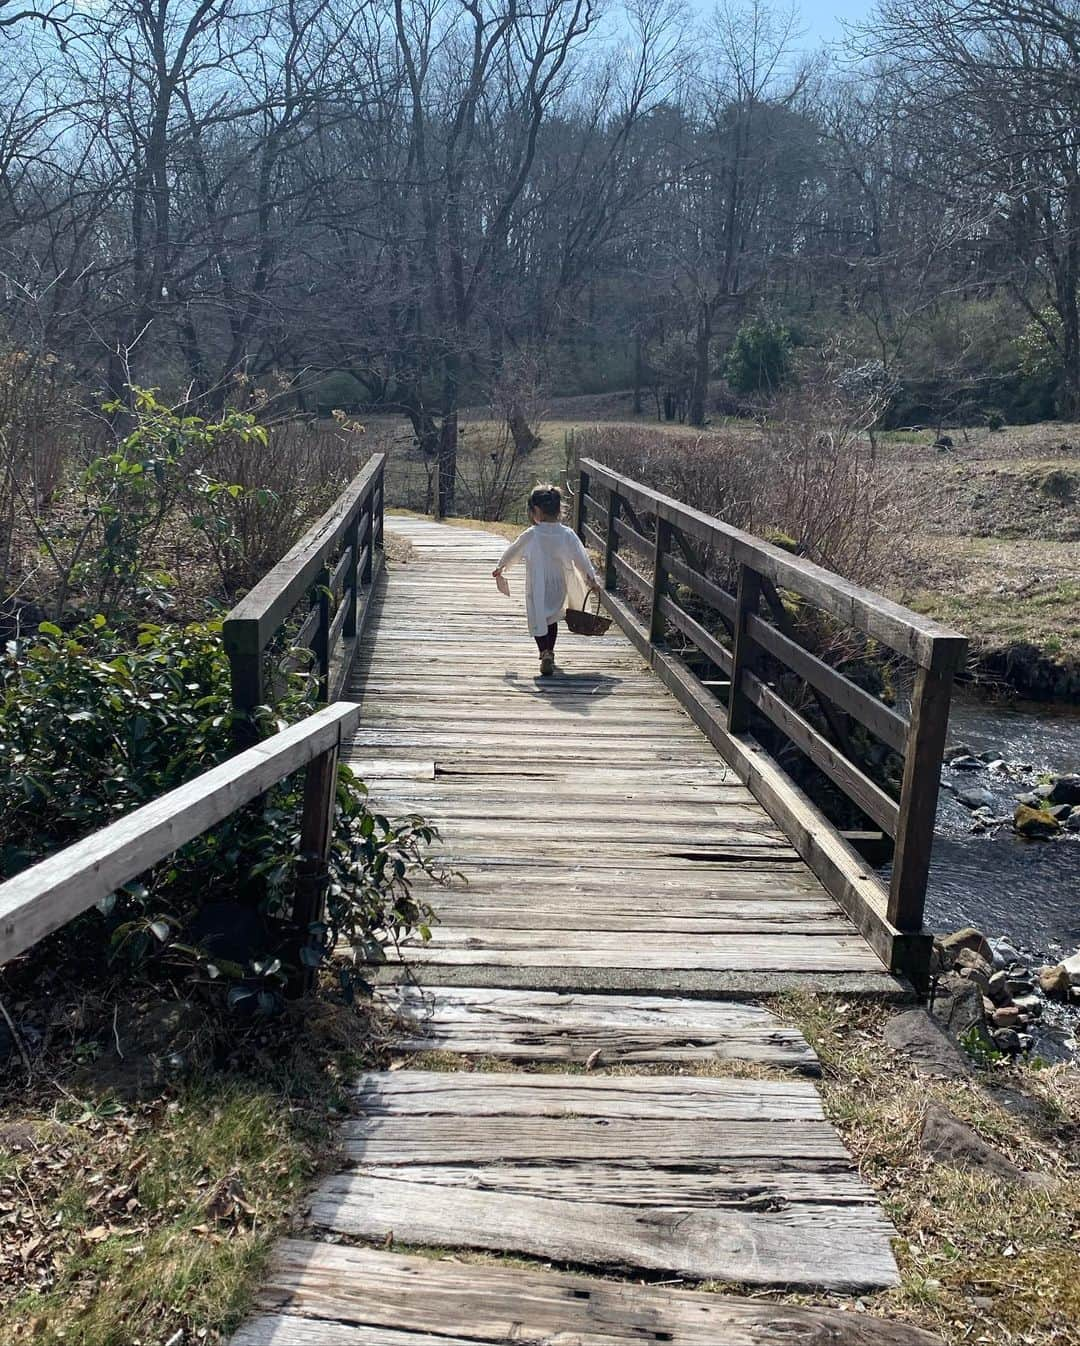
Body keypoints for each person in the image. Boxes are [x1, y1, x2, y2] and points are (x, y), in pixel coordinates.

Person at [492, 483, 601, 676]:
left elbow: (515, 549)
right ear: (559, 510)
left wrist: (501, 566)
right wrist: (590, 578)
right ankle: (550, 651)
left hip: (537, 584)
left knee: (538, 618)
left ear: (535, 510)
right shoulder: (567, 534)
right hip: (559, 584)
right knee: (552, 619)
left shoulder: (532, 534)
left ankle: (544, 652)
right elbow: (580, 556)